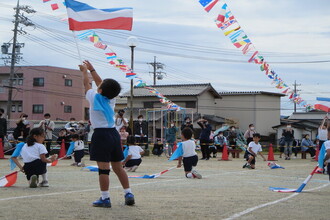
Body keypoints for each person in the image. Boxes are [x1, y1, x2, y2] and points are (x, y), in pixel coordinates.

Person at [80, 60, 134, 207]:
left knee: (103, 169)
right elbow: (101, 84)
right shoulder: (111, 99)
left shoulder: (93, 97)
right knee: (118, 167)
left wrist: (84, 72)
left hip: (101, 135)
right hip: (113, 135)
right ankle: (128, 193)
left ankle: (105, 198)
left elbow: (87, 84)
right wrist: (92, 69)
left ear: (101, 90)